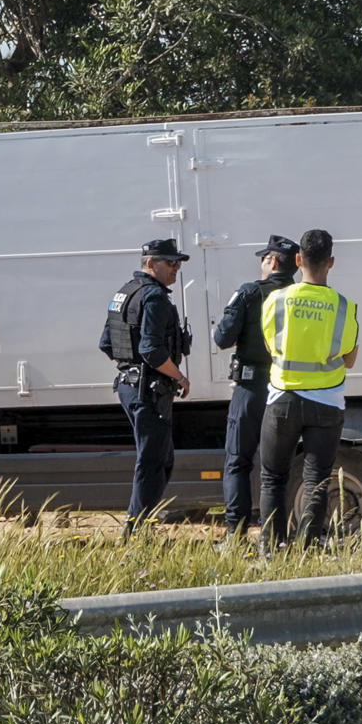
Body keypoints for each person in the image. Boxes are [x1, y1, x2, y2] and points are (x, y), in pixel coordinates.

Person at [257, 229, 360, 551]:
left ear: (298, 260)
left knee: (273, 477)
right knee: (317, 478)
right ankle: (310, 545)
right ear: (331, 262)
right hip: (326, 402)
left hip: (282, 399)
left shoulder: (275, 300)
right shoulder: (344, 306)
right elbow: (350, 359)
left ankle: (270, 548)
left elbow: (269, 347)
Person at [100, 239, 192, 538]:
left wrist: (128, 367)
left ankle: (141, 524)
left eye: (179, 264)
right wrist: (179, 377)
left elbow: (106, 343)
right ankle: (135, 531)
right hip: (149, 389)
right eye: (171, 263)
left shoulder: (124, 292)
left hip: (131, 386)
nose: (176, 270)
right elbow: (152, 349)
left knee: (160, 459)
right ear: (151, 264)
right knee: (154, 461)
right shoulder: (154, 298)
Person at [212, 234, 299, 548]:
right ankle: (275, 537)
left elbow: (222, 338)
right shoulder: (302, 296)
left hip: (251, 389)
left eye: (264, 258)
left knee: (238, 460)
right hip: (287, 388)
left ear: (272, 262)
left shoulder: (250, 292)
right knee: (276, 467)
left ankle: (235, 536)